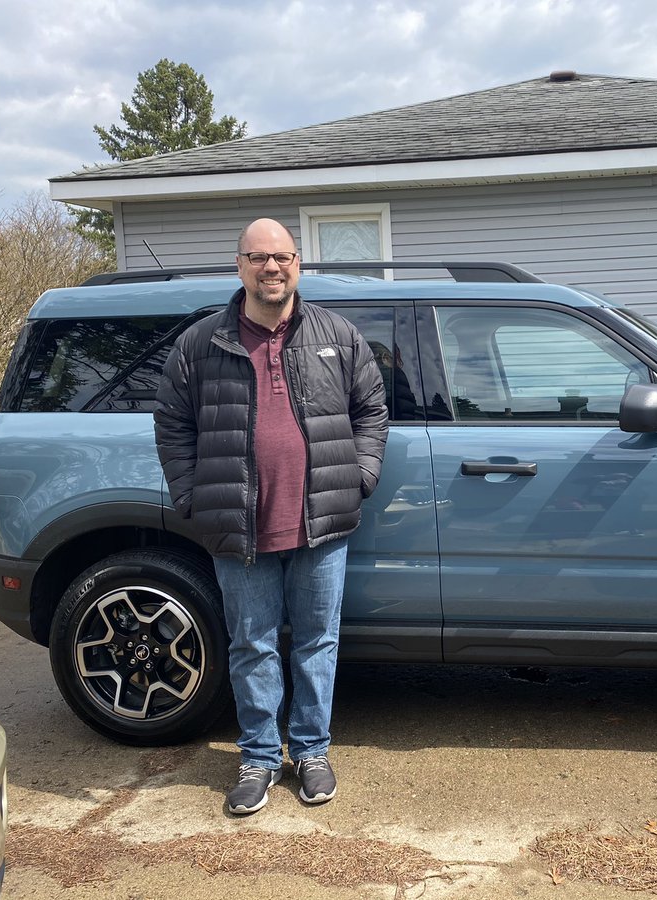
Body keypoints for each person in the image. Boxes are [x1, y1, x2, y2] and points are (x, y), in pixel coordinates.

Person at [153, 218, 388, 815]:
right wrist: (190, 495)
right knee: (251, 644)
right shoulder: (201, 344)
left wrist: (358, 478)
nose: (271, 268)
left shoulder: (337, 334)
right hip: (239, 523)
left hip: (321, 521)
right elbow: (173, 426)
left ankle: (311, 751)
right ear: (240, 266)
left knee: (317, 642)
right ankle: (257, 756)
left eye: (281, 256)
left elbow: (371, 410)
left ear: (297, 263)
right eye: (258, 257)